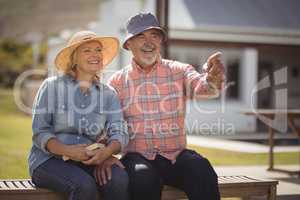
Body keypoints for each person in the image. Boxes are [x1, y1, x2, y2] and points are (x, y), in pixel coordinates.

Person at [102, 12, 224, 200]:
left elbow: (204, 88)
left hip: (176, 156)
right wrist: (106, 153)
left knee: (201, 168)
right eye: (141, 36)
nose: (149, 42)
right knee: (142, 178)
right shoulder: (117, 81)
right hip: (138, 157)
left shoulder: (179, 70)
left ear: (160, 41)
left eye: (154, 35)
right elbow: (108, 123)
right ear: (128, 44)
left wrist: (213, 78)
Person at [28, 30, 129, 200]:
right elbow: (40, 132)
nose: (95, 55)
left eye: (98, 50)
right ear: (74, 58)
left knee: (118, 179)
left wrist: (107, 153)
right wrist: (67, 150)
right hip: (48, 161)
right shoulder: (52, 86)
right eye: (87, 50)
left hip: (89, 162)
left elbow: (119, 131)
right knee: (84, 186)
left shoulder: (108, 94)